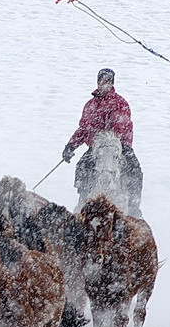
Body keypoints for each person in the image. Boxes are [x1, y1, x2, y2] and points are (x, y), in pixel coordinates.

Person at [61, 68, 144, 217]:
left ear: (112, 83)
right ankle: (83, 195)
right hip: (97, 146)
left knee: (134, 168)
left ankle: (133, 206)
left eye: (107, 81)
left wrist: (115, 138)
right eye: (101, 81)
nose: (103, 84)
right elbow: (84, 128)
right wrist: (71, 145)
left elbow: (122, 125)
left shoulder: (120, 103)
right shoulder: (90, 105)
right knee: (83, 164)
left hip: (119, 145)